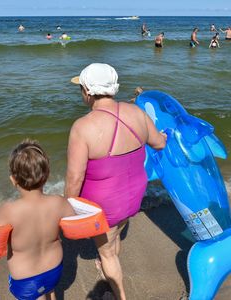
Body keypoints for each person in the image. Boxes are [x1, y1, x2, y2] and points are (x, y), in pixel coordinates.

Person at [65, 63, 167, 300]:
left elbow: (74, 177)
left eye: (80, 88)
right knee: (113, 238)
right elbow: (160, 143)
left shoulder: (83, 127)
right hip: (134, 195)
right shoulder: (138, 114)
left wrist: (68, 210)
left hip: (105, 206)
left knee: (107, 252)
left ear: (88, 92)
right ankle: (111, 263)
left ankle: (119, 294)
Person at [0, 139, 75, 300]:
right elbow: (75, 225)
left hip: (26, 280)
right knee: (49, 290)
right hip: (54, 269)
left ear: (13, 179)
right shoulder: (59, 202)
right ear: (47, 175)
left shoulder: (7, 210)